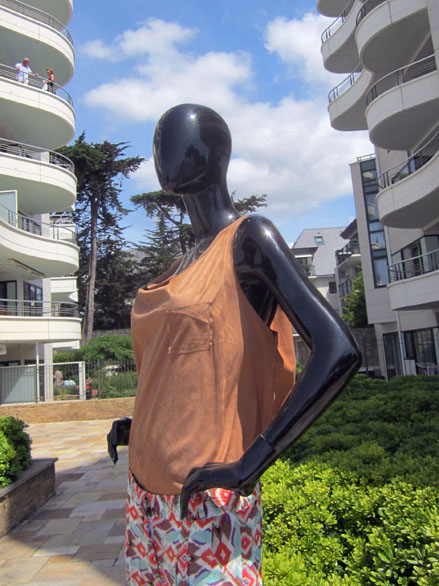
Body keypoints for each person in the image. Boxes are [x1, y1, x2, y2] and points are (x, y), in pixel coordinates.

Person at [107, 104, 361, 585]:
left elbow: (339, 350)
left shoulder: (248, 239)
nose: (163, 153)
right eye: (158, 143)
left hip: (209, 501)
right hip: (144, 497)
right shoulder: (184, 260)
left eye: (175, 140)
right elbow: (188, 369)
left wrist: (252, 462)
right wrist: (142, 426)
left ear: (214, 153)